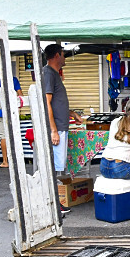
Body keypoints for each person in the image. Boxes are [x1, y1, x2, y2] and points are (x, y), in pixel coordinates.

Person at [42, 44, 83, 216]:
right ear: (57, 55)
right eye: (64, 55)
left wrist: (71, 113)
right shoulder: (48, 74)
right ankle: (53, 203)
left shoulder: (54, 75)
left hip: (60, 125)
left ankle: (55, 202)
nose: (65, 58)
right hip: (56, 128)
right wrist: (53, 130)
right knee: (53, 167)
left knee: (58, 166)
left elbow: (57, 103)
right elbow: (47, 103)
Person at [0, 69, 23, 168]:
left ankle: (5, 161)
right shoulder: (14, 80)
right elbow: (21, 96)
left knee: (3, 137)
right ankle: (16, 160)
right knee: (13, 136)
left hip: (0, 113)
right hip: (12, 113)